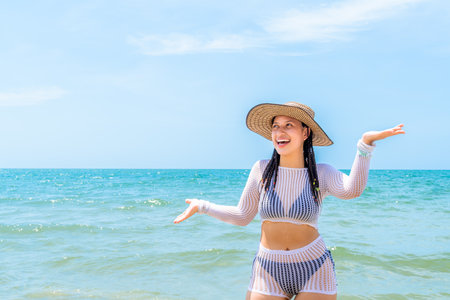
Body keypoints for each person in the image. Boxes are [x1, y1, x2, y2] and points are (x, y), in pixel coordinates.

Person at [173, 102, 405, 300]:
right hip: (267, 268)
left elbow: (352, 190)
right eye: (275, 126)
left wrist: (364, 146)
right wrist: (202, 206)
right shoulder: (262, 169)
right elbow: (243, 216)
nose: (279, 132)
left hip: (313, 267)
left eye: (288, 126)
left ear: (305, 133)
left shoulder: (321, 173)